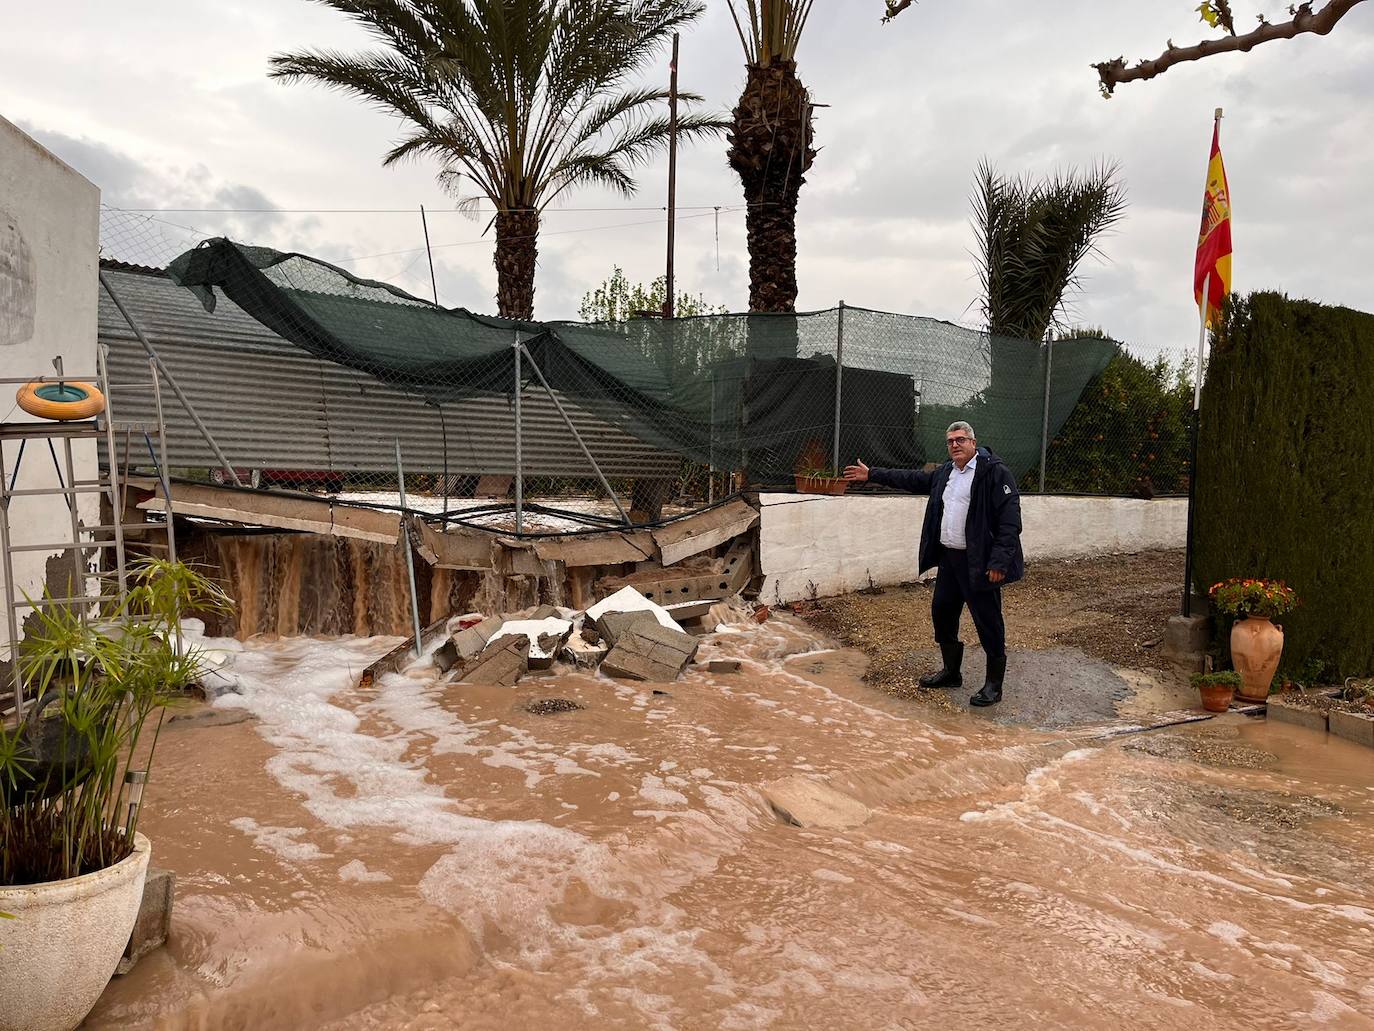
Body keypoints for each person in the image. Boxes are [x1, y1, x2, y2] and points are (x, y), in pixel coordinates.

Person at [843, 422, 1024, 707]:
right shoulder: (945, 473)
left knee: (988, 621)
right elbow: (913, 479)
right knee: (942, 613)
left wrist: (999, 561)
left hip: (979, 563)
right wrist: (872, 474)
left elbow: (1010, 522)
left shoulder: (995, 473)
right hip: (950, 561)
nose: (955, 445)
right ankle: (951, 672)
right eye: (950, 441)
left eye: (961, 440)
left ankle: (993, 686)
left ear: (974, 443)